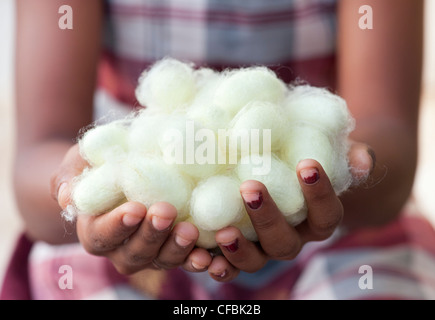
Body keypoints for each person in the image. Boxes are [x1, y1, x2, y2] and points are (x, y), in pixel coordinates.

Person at [3, 0, 435, 300]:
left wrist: (346, 170)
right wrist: (81, 194)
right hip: (112, 253)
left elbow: (388, 147)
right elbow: (38, 165)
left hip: (342, 237)